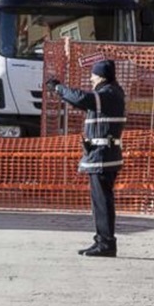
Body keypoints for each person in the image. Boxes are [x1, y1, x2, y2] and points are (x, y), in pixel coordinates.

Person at [46, 59, 126, 257]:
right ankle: (102, 241)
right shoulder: (110, 93)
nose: (90, 78)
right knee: (101, 201)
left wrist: (58, 88)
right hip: (102, 156)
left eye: (93, 74)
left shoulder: (108, 93)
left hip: (102, 157)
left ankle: (106, 243)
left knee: (102, 202)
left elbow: (81, 98)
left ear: (101, 76)